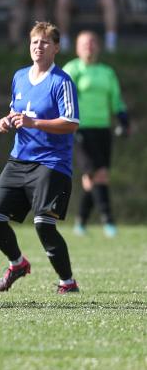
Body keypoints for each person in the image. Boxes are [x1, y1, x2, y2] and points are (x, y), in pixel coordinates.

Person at [0, 21, 80, 294]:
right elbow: (17, 113)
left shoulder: (61, 82)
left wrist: (33, 123)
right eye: (35, 42)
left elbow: (71, 122)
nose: (39, 47)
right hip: (19, 160)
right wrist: (7, 121)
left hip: (52, 163)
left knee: (43, 225)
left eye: (45, 42)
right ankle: (17, 264)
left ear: (57, 48)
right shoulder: (19, 77)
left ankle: (68, 283)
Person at [62, 31, 128, 237]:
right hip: (79, 129)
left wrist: (124, 120)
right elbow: (61, 98)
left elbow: (116, 99)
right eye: (84, 43)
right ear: (77, 48)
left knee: (93, 179)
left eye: (92, 43)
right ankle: (108, 221)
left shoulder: (106, 72)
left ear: (97, 47)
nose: (88, 47)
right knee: (98, 174)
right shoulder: (72, 70)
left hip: (103, 129)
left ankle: (80, 222)